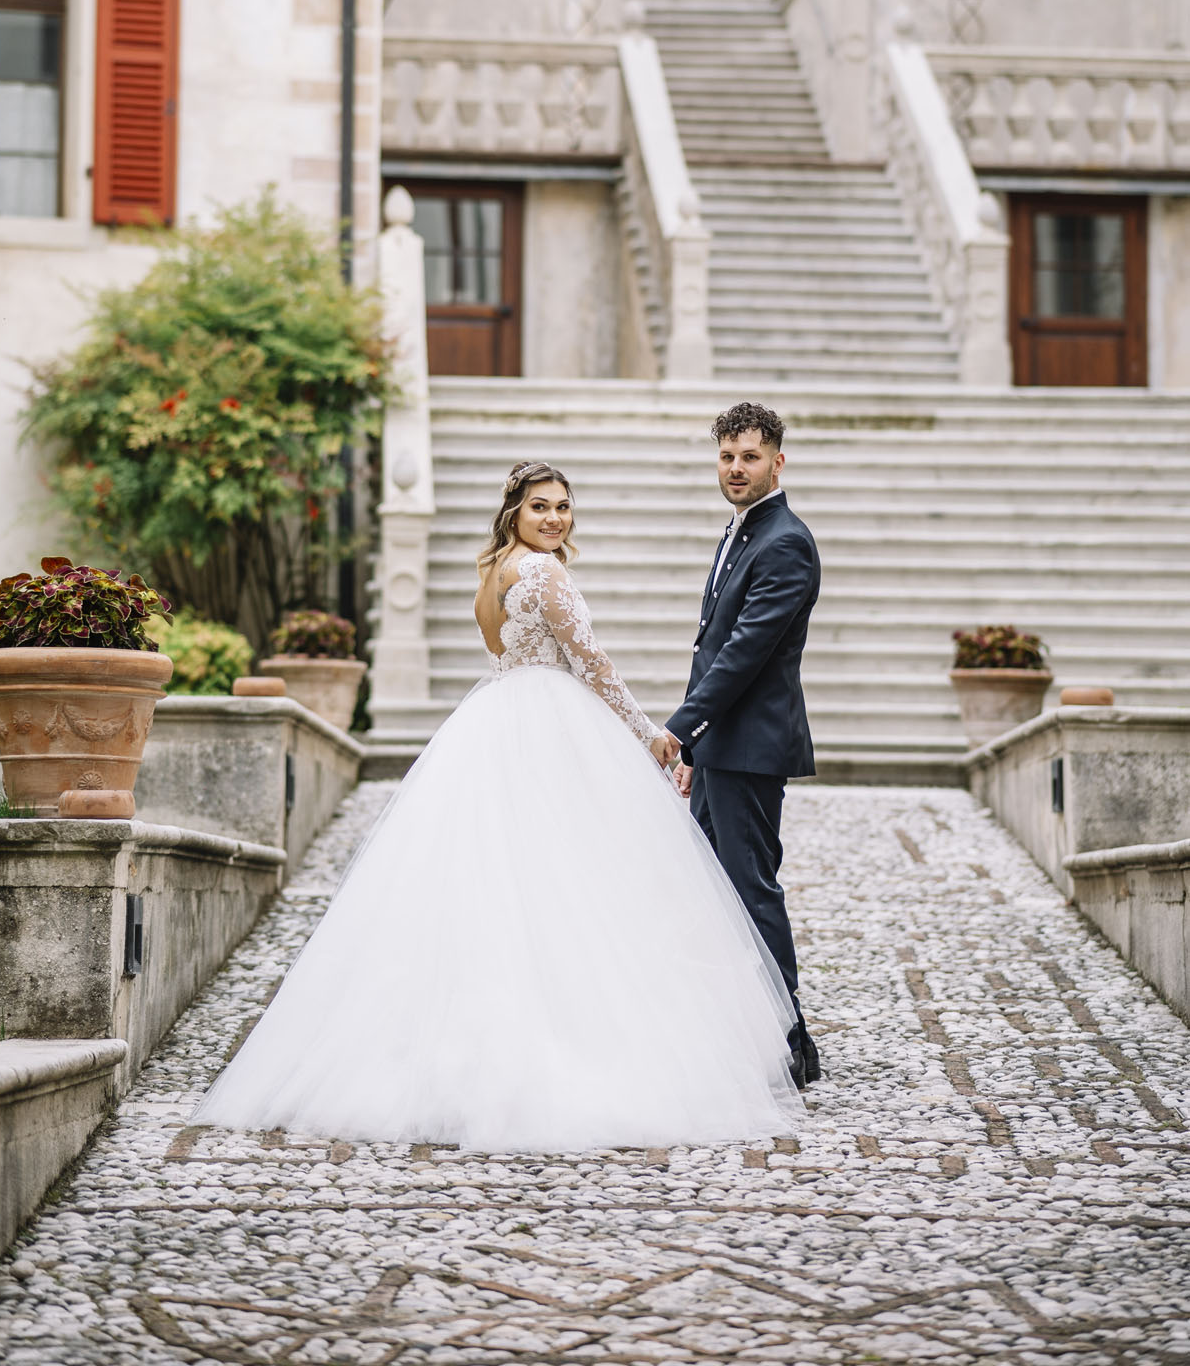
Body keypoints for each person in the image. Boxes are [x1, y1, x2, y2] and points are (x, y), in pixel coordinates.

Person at [195, 459, 800, 1151]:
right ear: (514, 510)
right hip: (548, 725)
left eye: (563, 506)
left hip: (498, 716)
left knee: (503, 882)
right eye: (540, 506)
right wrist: (651, 738)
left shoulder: (494, 570)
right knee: (566, 883)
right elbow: (593, 664)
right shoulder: (542, 573)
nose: (554, 518)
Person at [664, 402, 823, 1090]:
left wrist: (678, 730)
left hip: (750, 749)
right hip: (720, 747)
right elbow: (711, 649)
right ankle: (732, 1031)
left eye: (750, 457)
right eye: (727, 457)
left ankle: (790, 1041)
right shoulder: (742, 530)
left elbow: (742, 655)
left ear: (777, 462)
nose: (736, 468)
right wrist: (695, 751)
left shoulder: (784, 541)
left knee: (750, 891)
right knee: (711, 893)